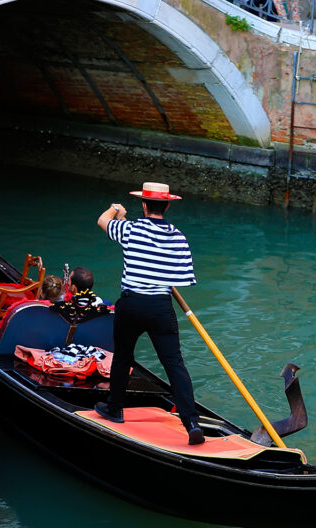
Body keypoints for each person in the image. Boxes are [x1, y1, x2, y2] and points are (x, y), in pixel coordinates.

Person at [93, 182, 204, 445]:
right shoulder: (177, 236)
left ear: (144, 205)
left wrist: (115, 209)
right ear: (166, 206)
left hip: (131, 304)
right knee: (174, 363)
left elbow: (102, 220)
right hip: (160, 307)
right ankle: (191, 422)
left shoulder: (131, 229)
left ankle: (115, 408)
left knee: (122, 356)